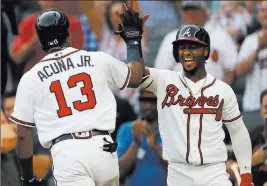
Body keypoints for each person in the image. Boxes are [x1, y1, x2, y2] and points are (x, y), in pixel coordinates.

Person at [9, 5, 149, 186]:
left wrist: (27, 176)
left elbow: (22, 135)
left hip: (68, 152)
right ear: (67, 35)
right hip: (103, 149)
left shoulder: (31, 78)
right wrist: (133, 40)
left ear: (41, 41)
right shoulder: (96, 59)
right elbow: (136, 77)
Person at [140, 24, 253, 186]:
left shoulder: (222, 90)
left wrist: (246, 174)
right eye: (182, 47)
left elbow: (238, 132)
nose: (187, 52)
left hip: (213, 172)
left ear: (206, 51)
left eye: (193, 47)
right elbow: (135, 76)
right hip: (178, 172)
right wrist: (134, 43)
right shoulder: (163, 80)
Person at [154, 1, 238, 87]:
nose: (190, 14)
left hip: (212, 96)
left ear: (205, 12)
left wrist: (222, 95)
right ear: (182, 13)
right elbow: (161, 71)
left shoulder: (221, 36)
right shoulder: (171, 38)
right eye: (187, 10)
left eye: (195, 10)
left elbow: (231, 69)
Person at [117, 90, 167, 186]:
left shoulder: (171, 130)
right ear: (139, 102)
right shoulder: (127, 129)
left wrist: (155, 147)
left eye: (153, 102)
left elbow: (179, 170)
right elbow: (119, 172)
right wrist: (136, 143)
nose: (148, 106)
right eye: (144, 101)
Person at [236, 1, 267, 113]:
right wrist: (258, 48)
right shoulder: (250, 41)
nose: (265, 13)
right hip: (253, 105)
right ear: (258, 15)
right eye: (262, 10)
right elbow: (240, 72)